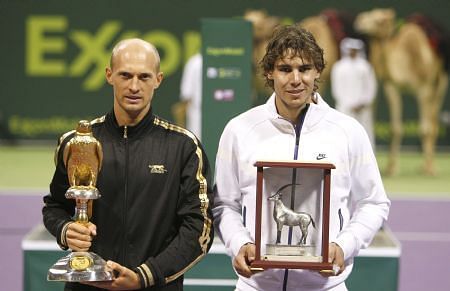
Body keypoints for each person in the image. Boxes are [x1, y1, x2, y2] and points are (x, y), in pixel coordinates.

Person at [212, 25, 390, 291]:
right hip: (257, 285)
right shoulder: (239, 130)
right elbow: (224, 203)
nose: (296, 79)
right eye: (285, 69)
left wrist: (345, 244)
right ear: (269, 72)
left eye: (304, 69)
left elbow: (374, 202)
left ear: (318, 70)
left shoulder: (348, 131)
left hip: (325, 285)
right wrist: (239, 243)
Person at [42, 38, 214, 291]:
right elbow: (55, 206)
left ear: (158, 80)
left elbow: (199, 229)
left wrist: (145, 276)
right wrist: (65, 229)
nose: (134, 86)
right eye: (125, 75)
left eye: (144, 77)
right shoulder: (78, 143)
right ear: (109, 75)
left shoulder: (184, 147)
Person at [331, 37, 377, 148]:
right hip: (345, 109)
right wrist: (349, 104)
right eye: (350, 49)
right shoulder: (339, 67)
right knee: (344, 134)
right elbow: (337, 89)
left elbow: (371, 86)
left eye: (354, 49)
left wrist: (364, 102)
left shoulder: (365, 66)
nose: (352, 52)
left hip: (363, 109)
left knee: (365, 134)